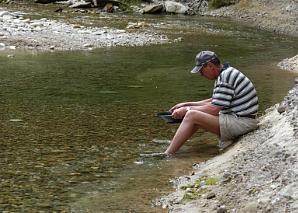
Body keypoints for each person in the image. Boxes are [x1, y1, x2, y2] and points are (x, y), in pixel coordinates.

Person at [164, 50, 259, 155]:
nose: (201, 74)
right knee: (195, 115)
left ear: (210, 66)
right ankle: (174, 147)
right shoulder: (226, 73)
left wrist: (187, 110)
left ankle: (168, 154)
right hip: (242, 120)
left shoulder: (225, 77)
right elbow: (215, 100)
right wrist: (187, 104)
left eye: (201, 70)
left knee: (192, 115)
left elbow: (214, 108)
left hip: (243, 123)